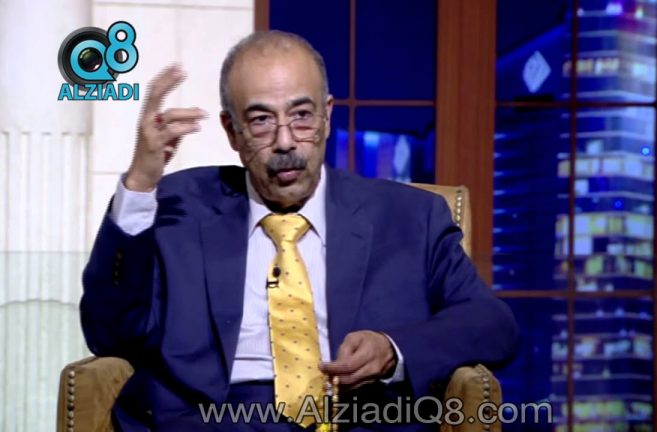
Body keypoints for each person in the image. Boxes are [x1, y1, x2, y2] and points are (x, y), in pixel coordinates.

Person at [80, 30, 517, 432]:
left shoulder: (410, 217)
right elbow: (109, 332)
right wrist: (140, 183)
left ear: (327, 116)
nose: (286, 141)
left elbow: (493, 325)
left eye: (302, 116)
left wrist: (393, 348)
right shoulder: (181, 206)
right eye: (261, 120)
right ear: (232, 131)